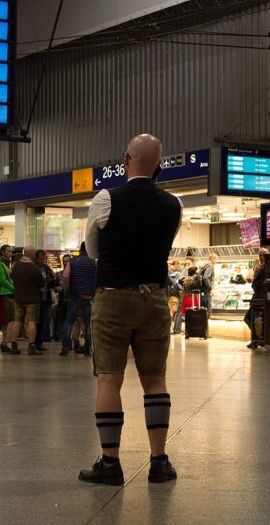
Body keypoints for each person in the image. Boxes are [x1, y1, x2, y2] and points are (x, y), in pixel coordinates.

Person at [78, 134, 182, 486]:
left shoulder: (107, 198)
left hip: (113, 296)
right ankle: (159, 462)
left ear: (126, 158)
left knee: (109, 377)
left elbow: (92, 250)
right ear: (160, 164)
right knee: (155, 379)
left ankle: (110, 463)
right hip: (154, 297)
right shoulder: (173, 205)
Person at [8, 245, 45, 355]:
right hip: (32, 299)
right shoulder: (34, 268)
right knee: (31, 321)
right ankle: (31, 346)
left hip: (18, 298)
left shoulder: (16, 266)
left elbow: (12, 278)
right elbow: (41, 283)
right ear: (33, 255)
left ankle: (14, 345)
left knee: (17, 321)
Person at [61, 241, 96, 356]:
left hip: (75, 295)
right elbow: (97, 278)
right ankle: (87, 348)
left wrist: (70, 288)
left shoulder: (72, 262)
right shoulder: (93, 262)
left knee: (69, 322)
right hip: (89, 296)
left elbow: (65, 276)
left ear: (80, 249)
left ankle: (65, 348)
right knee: (87, 323)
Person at [243, 248, 270, 349]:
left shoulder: (266, 267)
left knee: (253, 318)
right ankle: (258, 339)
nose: (262, 257)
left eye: (264, 255)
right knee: (250, 318)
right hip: (257, 295)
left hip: (261, 295)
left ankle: (257, 340)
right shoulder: (258, 266)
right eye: (260, 255)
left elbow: (261, 282)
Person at [0, 245, 16, 352]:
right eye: (8, 251)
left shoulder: (5, 264)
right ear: (2, 252)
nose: (10, 253)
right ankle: (8, 343)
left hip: (6, 294)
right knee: (9, 320)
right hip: (5, 294)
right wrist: (14, 289)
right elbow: (2, 280)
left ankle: (5, 342)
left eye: (11, 251)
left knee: (6, 321)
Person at [35, 249, 56, 350]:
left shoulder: (46, 268)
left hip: (45, 298)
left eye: (44, 258)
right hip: (36, 298)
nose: (42, 260)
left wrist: (50, 280)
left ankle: (39, 342)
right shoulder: (34, 267)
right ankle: (34, 341)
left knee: (43, 321)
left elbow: (53, 281)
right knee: (36, 321)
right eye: (40, 258)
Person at [166, 259, 183, 334]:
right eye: (178, 265)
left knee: (172, 312)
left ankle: (171, 328)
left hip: (169, 294)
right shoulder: (171, 272)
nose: (179, 267)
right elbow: (171, 283)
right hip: (172, 295)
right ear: (175, 264)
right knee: (173, 311)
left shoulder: (170, 271)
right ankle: (171, 328)